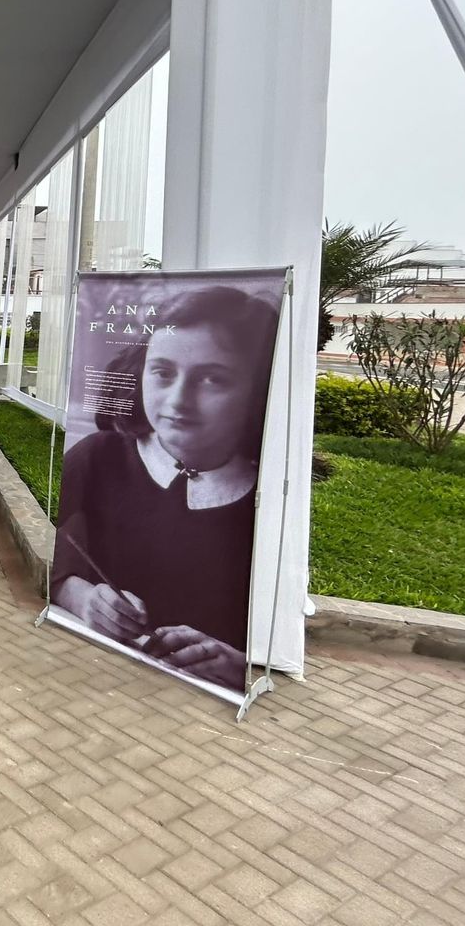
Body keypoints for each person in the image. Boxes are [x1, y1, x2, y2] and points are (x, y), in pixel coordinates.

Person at [50, 286, 280, 692]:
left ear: (258, 390)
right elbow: (56, 561)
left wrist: (244, 665)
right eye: (162, 372)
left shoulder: (273, 496)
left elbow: (280, 625)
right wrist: (82, 598)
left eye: (213, 378)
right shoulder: (96, 459)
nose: (178, 401)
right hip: (91, 681)